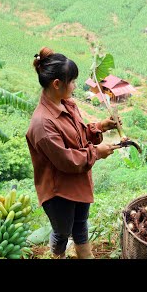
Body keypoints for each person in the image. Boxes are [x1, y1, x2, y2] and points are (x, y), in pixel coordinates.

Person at [26, 47, 119, 259]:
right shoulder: (43, 123)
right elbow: (67, 160)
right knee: (62, 232)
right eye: (73, 81)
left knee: (80, 227)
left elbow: (79, 135)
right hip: (59, 191)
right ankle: (57, 255)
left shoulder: (66, 104)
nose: (76, 86)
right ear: (57, 84)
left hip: (78, 182)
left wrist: (100, 127)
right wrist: (97, 152)